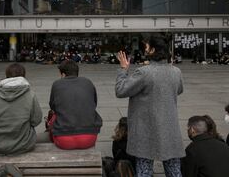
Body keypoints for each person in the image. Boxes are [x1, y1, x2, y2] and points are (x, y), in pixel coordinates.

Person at [116, 33, 185, 177]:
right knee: (174, 171)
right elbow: (178, 90)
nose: (145, 49)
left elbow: (121, 90)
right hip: (169, 129)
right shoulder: (176, 71)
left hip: (145, 130)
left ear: (153, 50)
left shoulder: (144, 72)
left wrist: (123, 69)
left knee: (144, 170)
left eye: (147, 46)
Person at [0, 63, 42, 155]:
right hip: (24, 144)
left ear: (6, 76)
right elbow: (36, 120)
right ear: (23, 76)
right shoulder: (30, 94)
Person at [48, 60, 102, 150]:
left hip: (64, 141)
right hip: (89, 139)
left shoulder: (57, 84)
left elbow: (53, 107)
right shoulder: (88, 82)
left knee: (53, 116)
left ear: (63, 74)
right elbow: (94, 103)